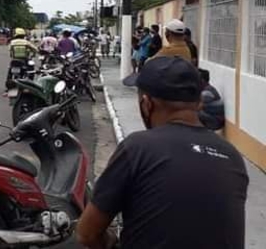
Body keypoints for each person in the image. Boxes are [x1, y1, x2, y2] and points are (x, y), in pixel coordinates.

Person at [77, 57, 248, 249]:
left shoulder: (137, 147)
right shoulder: (232, 156)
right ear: (199, 103)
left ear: (146, 104)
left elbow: (87, 233)